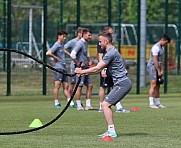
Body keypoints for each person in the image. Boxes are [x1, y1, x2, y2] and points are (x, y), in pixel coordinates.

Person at [75, 32, 132, 138]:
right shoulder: (110, 52)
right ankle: (111, 130)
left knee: (105, 105)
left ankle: (112, 132)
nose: (99, 44)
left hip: (122, 84)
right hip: (122, 83)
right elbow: (98, 69)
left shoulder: (110, 53)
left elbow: (97, 68)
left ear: (106, 41)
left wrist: (82, 72)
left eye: (100, 41)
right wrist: (84, 72)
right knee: (106, 105)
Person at [97, 26, 130, 113]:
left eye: (112, 33)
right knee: (103, 87)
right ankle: (102, 106)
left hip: (115, 74)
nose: (112, 35)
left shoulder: (111, 50)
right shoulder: (102, 45)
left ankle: (117, 106)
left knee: (114, 87)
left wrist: (83, 72)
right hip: (105, 68)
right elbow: (100, 56)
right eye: (111, 33)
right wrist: (102, 69)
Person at [46, 30, 75, 109]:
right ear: (59, 36)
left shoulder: (61, 45)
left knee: (66, 86)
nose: (65, 38)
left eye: (65, 36)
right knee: (57, 85)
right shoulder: (57, 44)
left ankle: (71, 103)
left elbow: (63, 50)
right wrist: (55, 58)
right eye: (63, 36)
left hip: (63, 67)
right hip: (58, 67)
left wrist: (69, 54)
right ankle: (56, 103)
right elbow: (48, 53)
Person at [70, 28, 94, 111]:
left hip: (86, 68)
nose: (90, 37)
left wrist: (89, 60)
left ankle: (88, 105)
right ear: (84, 35)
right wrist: (78, 63)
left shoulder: (85, 43)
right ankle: (79, 105)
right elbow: (72, 54)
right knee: (79, 86)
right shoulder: (79, 43)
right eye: (89, 35)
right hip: (81, 69)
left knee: (90, 85)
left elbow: (86, 53)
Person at [147, 34, 171, 109]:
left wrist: (162, 69)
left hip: (158, 67)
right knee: (153, 84)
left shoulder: (162, 48)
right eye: (166, 43)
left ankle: (158, 103)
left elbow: (161, 60)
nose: (166, 44)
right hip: (152, 67)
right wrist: (158, 70)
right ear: (163, 40)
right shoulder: (155, 48)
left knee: (158, 85)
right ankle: (151, 103)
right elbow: (155, 60)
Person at [64, 27, 84, 96]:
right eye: (82, 33)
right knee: (72, 83)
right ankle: (70, 100)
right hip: (74, 65)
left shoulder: (83, 42)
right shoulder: (73, 41)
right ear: (78, 34)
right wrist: (70, 54)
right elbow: (63, 48)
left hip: (81, 65)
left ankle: (78, 100)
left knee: (80, 84)